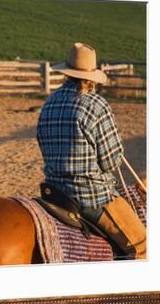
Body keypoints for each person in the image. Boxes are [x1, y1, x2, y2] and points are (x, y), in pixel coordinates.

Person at [36, 42, 146, 259]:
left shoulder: (49, 103)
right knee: (144, 247)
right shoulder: (96, 104)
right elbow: (111, 162)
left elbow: (41, 142)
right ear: (91, 77)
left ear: (67, 72)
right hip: (90, 197)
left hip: (54, 192)